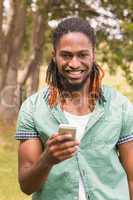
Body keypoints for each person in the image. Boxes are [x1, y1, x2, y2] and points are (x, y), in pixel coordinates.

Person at [16, 17, 133, 200]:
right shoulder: (32, 109)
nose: (74, 64)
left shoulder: (120, 106)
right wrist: (47, 160)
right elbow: (26, 185)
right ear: (54, 56)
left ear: (93, 55)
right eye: (66, 55)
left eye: (82, 55)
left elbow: (132, 178)